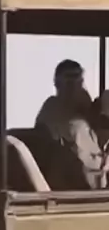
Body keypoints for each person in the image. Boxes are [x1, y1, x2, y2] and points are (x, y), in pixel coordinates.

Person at [35, 59, 107, 189]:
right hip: (76, 182)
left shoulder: (78, 114)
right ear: (57, 84)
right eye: (70, 82)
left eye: (80, 81)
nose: (76, 88)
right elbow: (87, 166)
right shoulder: (60, 115)